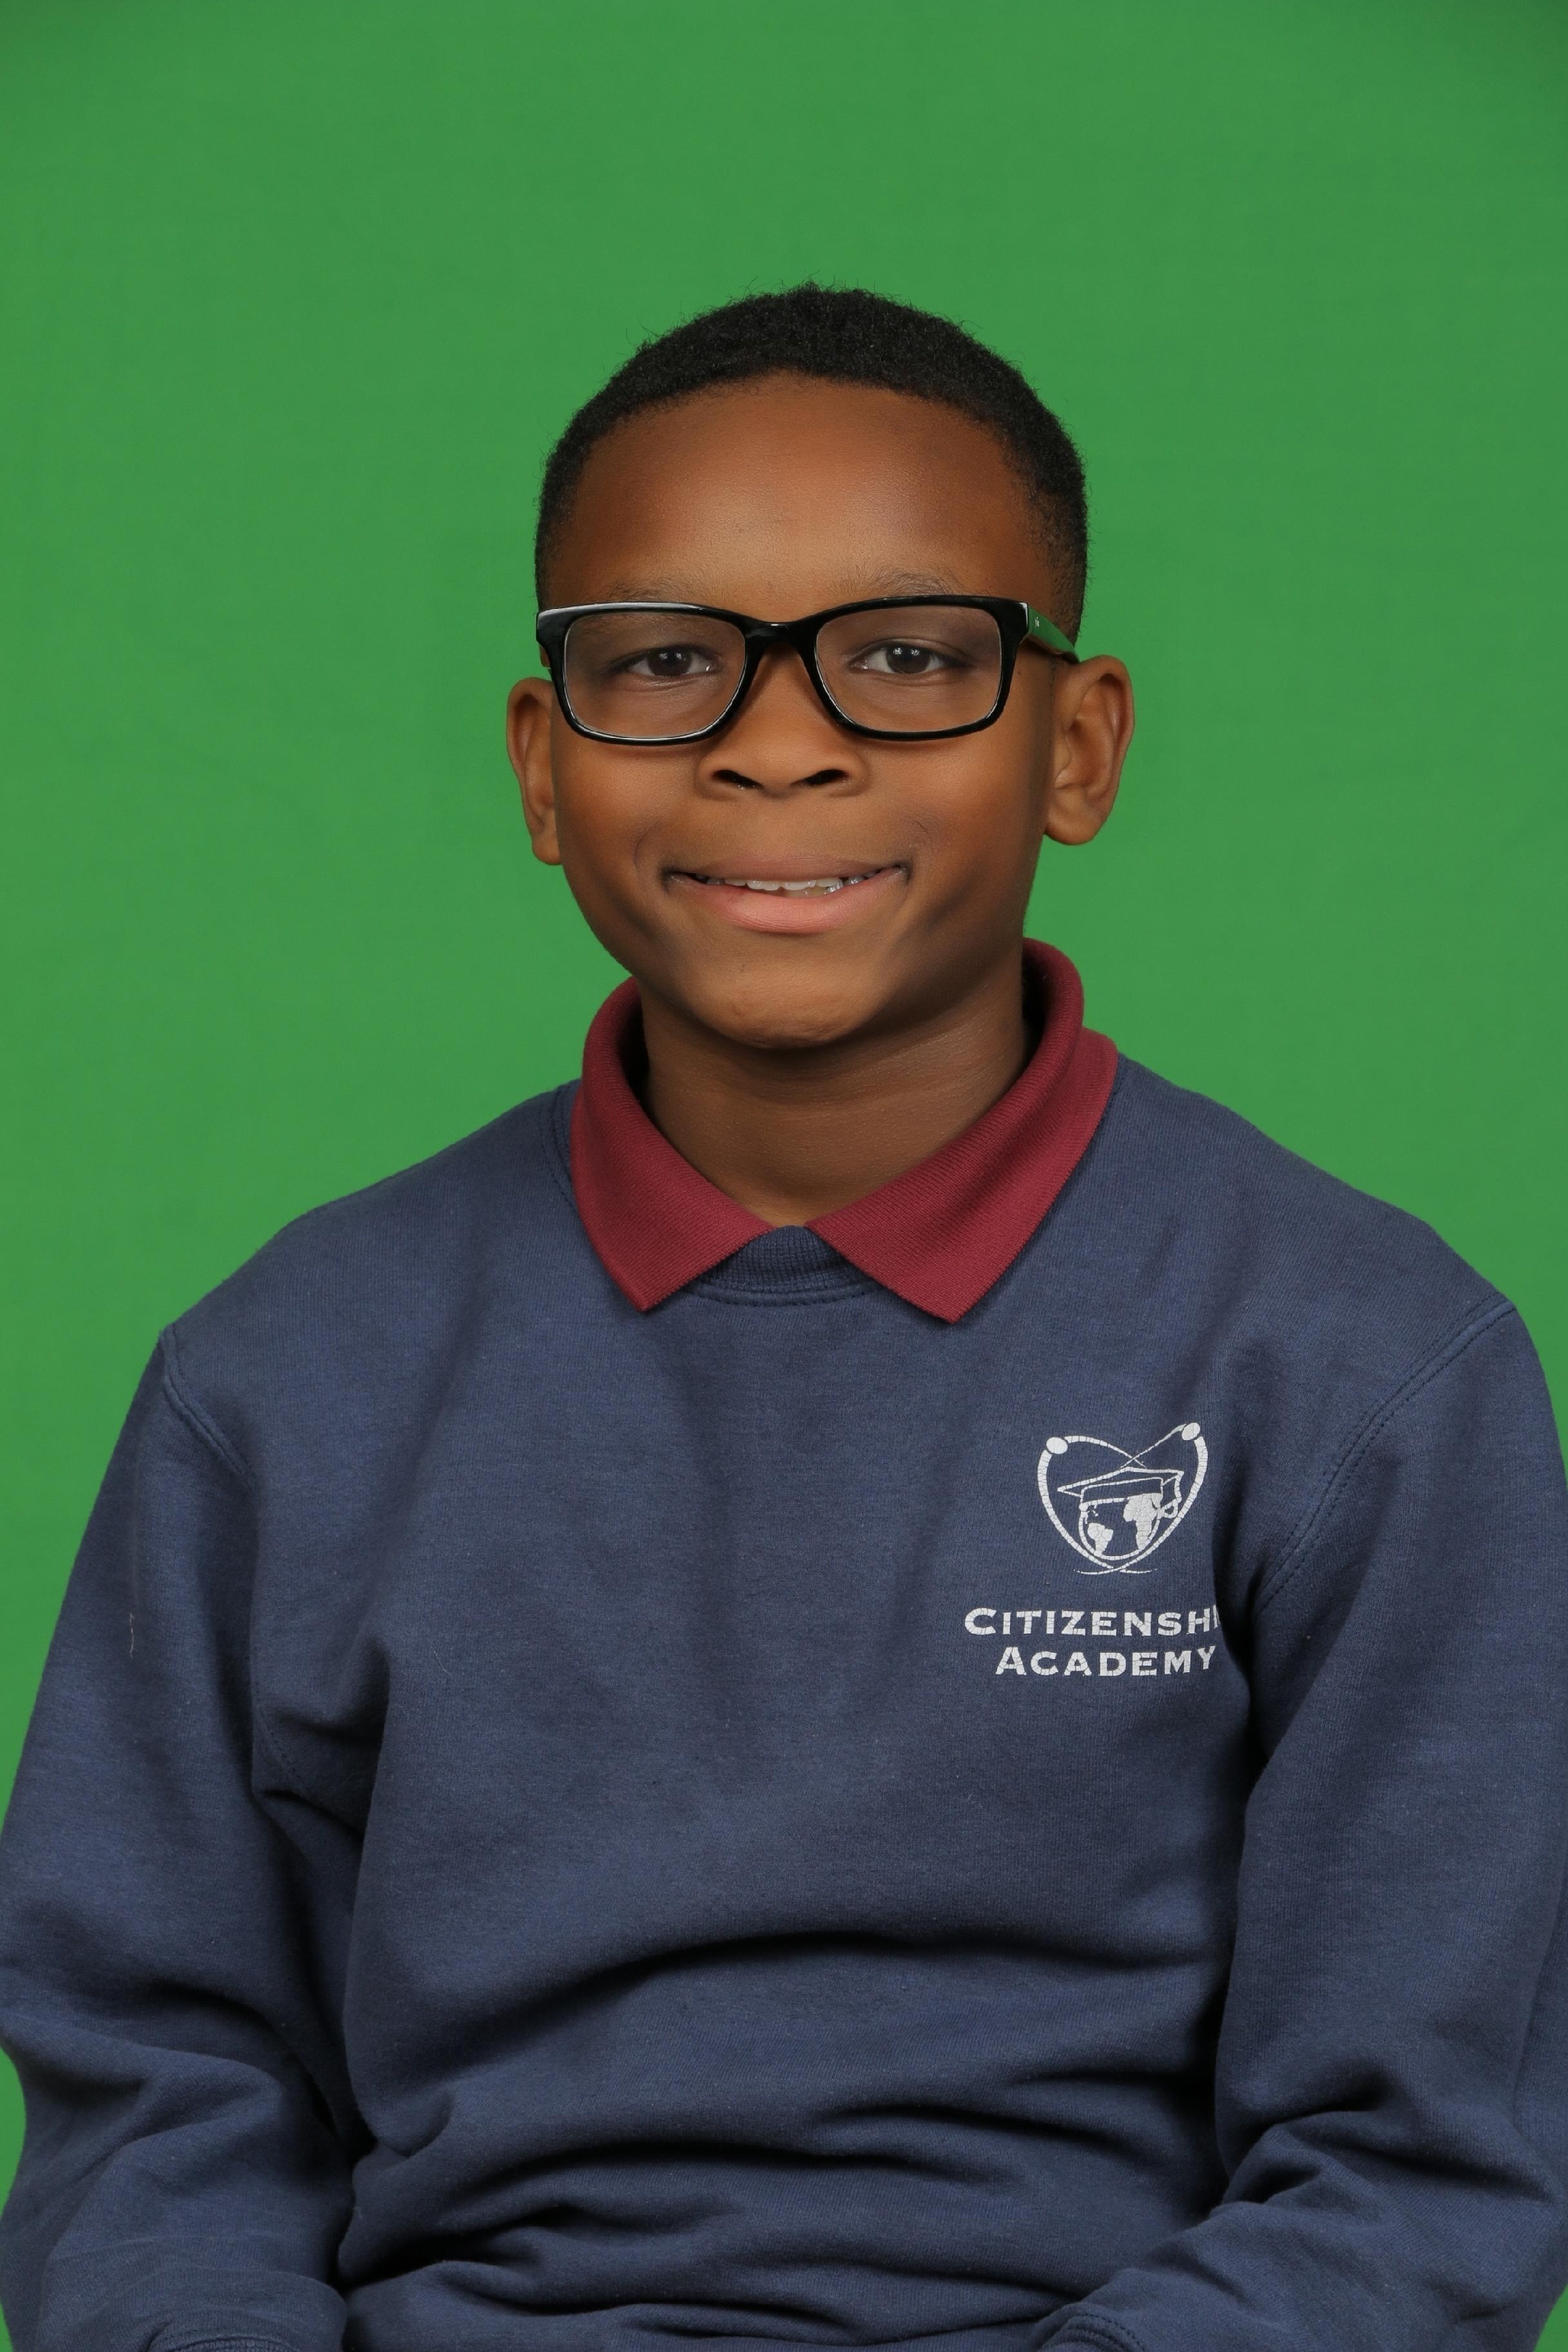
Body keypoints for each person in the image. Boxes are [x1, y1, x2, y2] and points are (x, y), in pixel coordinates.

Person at [1, 284, 1565, 2352]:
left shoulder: (1368, 1368)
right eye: (664, 659)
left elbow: (1423, 2163)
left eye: (909, 654)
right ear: (543, 766)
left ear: (1078, 744)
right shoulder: (281, 1382)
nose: (778, 737)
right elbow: (157, 2105)